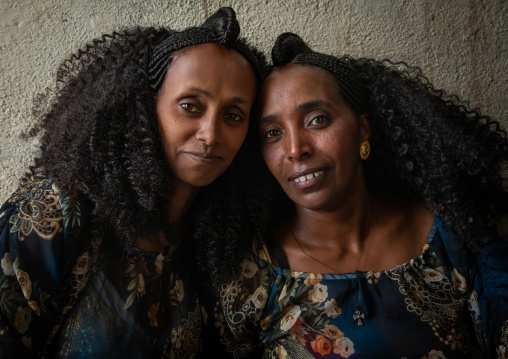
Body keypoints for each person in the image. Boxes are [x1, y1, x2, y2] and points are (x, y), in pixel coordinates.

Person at [199, 33, 508, 358]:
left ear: (363, 129)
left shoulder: (452, 236)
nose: (294, 149)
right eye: (272, 133)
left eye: (317, 120)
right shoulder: (248, 274)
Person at [0, 7, 268, 358]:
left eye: (233, 116)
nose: (210, 134)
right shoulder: (53, 212)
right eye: (190, 106)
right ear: (144, 107)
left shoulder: (220, 241)